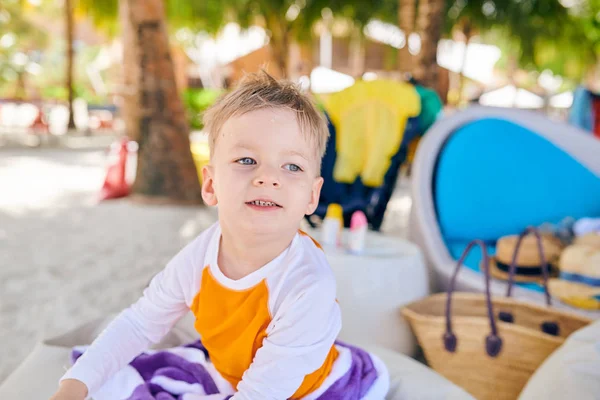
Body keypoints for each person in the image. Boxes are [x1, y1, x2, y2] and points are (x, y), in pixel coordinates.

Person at [50, 71, 389, 400]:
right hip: (233, 373)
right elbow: (140, 324)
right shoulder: (199, 257)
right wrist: (74, 386)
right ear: (211, 185)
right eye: (246, 159)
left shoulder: (308, 285)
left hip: (304, 388)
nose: (268, 177)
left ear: (312, 197)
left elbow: (263, 392)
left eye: (292, 167)